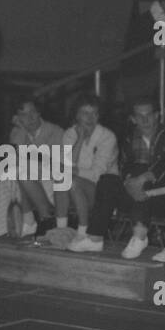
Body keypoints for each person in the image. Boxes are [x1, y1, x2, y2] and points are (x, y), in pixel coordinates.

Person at [68, 96, 165, 258]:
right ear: (133, 118)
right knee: (107, 180)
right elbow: (124, 165)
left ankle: (139, 236)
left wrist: (142, 179)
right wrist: (129, 182)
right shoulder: (129, 137)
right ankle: (95, 238)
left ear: (157, 115)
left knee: (141, 171)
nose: (144, 120)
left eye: (149, 115)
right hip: (137, 192)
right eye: (139, 116)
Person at [55, 94, 118, 246]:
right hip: (73, 188)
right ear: (76, 115)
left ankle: (83, 233)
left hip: (102, 191)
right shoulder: (70, 133)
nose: (90, 118)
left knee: (71, 180)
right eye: (85, 113)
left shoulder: (107, 136)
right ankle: (61, 231)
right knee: (63, 179)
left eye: (94, 113)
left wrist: (73, 172)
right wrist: (80, 139)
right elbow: (66, 164)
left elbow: (98, 174)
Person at [3, 97, 66, 238]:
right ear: (18, 118)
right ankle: (31, 221)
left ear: (39, 113)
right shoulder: (18, 132)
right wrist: (21, 130)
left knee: (21, 172)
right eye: (23, 115)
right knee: (14, 171)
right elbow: (14, 159)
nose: (30, 118)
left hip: (56, 179)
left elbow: (54, 163)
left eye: (33, 112)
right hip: (31, 178)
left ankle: (41, 219)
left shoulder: (55, 131)